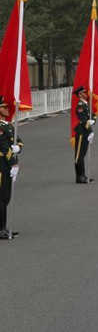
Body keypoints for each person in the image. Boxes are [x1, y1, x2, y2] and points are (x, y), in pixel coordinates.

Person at [0, 97, 22, 239]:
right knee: (1, 198)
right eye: (4, 107)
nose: (8, 109)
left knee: (6, 198)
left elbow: (19, 141)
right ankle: (1, 229)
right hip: (2, 165)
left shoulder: (8, 125)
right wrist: (13, 162)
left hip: (7, 164)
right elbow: (2, 146)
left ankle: (4, 227)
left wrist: (17, 148)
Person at [73, 86, 95, 183]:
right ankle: (80, 177)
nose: (86, 94)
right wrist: (89, 129)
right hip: (82, 133)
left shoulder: (86, 104)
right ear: (80, 95)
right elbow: (83, 120)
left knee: (83, 154)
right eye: (84, 92)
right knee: (79, 155)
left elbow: (93, 115)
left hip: (86, 132)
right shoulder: (80, 105)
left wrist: (93, 121)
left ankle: (83, 176)